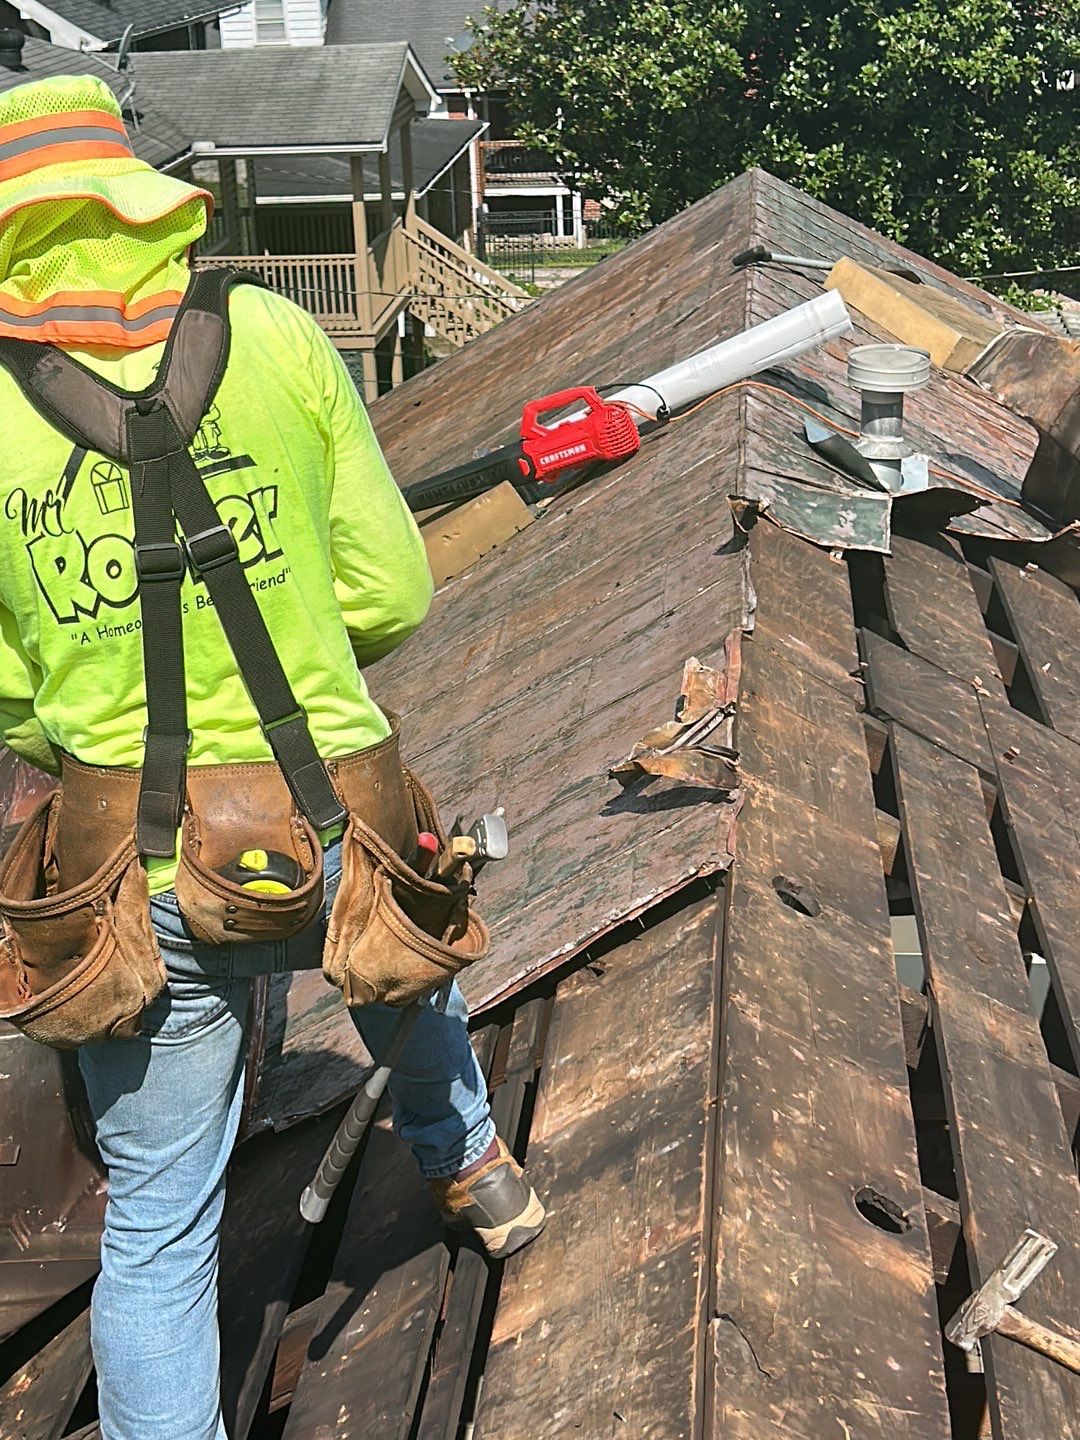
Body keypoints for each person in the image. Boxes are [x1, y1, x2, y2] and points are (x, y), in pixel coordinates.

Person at [0, 74, 543, 1440]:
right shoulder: (279, 334)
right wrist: (299, 662)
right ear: (141, 205)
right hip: (336, 813)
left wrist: (89, 728)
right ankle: (477, 1172)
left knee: (160, 1226)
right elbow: (392, 591)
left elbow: (8, 691)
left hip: (137, 876)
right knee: (402, 966)